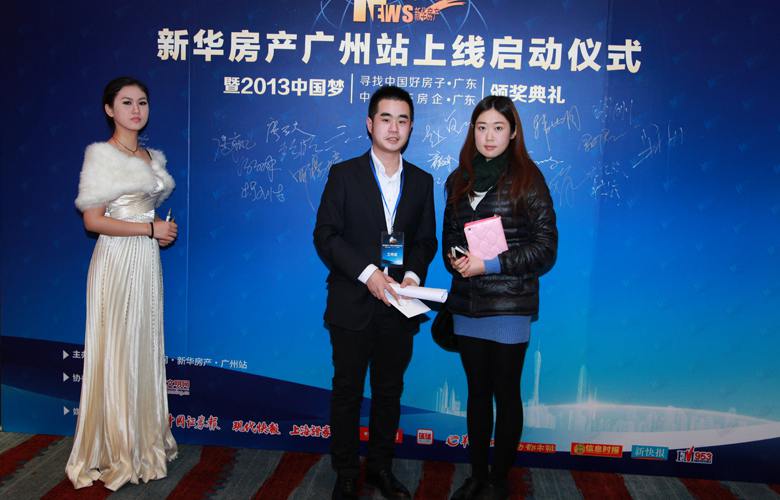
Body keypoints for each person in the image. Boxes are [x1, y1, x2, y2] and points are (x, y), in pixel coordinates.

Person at [314, 85, 437, 500]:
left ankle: (380, 468)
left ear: (411, 127)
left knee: (389, 392)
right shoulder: (344, 174)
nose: (394, 128)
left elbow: (426, 240)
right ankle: (347, 473)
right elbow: (326, 235)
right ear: (370, 124)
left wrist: (413, 276)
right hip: (352, 302)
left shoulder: (421, 181)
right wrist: (368, 274)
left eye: (402, 120)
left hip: (400, 306)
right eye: (386, 118)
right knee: (347, 392)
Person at [443, 96, 557, 500]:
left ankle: (497, 481)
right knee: (476, 394)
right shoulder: (458, 179)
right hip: (468, 306)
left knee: (505, 394)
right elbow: (450, 237)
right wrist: (458, 259)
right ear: (472, 131)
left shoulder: (528, 178)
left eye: (497, 127)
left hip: (509, 306)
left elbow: (546, 249)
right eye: (481, 127)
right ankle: (477, 475)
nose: (488, 136)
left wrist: (488, 265)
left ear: (513, 133)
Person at [67, 76, 179, 490]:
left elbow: (140, 211)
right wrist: (149, 230)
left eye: (142, 102)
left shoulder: (151, 156)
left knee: (143, 346)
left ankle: (143, 442)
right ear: (109, 109)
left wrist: (157, 230)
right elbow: (93, 220)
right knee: (117, 348)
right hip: (115, 262)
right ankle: (115, 448)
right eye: (127, 102)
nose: (136, 110)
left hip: (146, 263)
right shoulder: (101, 156)